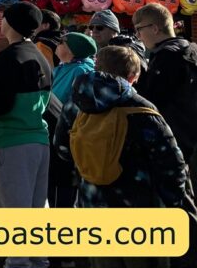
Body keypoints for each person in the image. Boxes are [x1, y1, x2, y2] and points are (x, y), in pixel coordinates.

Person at [54, 45, 197, 268]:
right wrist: (173, 203)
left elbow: (62, 148)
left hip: (91, 206)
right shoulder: (141, 109)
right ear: (133, 76)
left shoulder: (76, 103)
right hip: (139, 211)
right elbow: (172, 165)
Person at [0, 1, 51, 268]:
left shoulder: (6, 58)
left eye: (4, 17)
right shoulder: (41, 56)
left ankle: (18, 262)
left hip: (10, 140)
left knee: (13, 211)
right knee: (36, 207)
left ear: (13, 24)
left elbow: (1, 105)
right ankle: (39, 259)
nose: (1, 21)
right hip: (38, 140)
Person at [133, 2, 197, 187]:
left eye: (139, 29)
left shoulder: (166, 56)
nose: (138, 36)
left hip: (176, 143)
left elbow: (151, 102)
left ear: (154, 28)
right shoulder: (191, 49)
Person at [51, 32, 97, 105]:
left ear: (71, 49)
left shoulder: (82, 71)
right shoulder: (65, 65)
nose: (57, 44)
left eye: (61, 42)